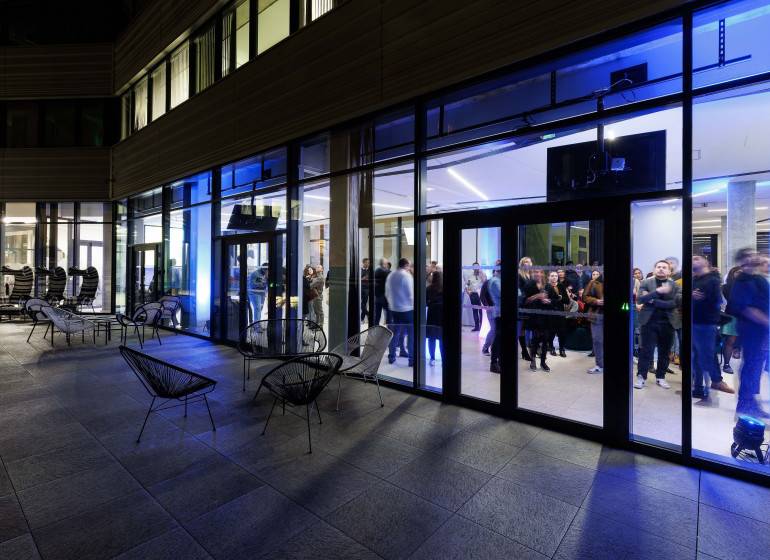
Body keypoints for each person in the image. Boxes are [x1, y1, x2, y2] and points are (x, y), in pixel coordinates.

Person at [726, 249, 769, 417]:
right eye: (750, 255)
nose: (755, 256)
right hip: (752, 331)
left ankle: (752, 403)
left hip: (761, 330)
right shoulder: (742, 281)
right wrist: (766, 322)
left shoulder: (758, 278)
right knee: (751, 366)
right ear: (742, 261)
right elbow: (743, 308)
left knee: (756, 367)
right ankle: (745, 405)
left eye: (755, 254)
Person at [692, 255, 734, 400]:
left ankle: (715, 381)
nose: (693, 260)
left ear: (706, 262)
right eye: (692, 258)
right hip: (694, 322)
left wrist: (701, 298)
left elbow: (718, 302)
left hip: (706, 323)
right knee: (696, 355)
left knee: (706, 355)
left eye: (697, 258)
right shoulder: (693, 280)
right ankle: (699, 386)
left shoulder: (713, 280)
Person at [634, 260, 681, 389]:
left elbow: (675, 303)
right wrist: (657, 292)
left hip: (668, 323)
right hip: (649, 322)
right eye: (658, 267)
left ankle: (660, 377)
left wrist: (652, 300)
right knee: (646, 351)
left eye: (664, 267)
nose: (661, 269)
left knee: (664, 352)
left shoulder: (675, 285)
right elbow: (640, 299)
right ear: (654, 269)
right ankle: (641, 377)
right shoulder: (646, 282)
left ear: (669, 271)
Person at [385, 258, 414, 366]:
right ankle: (412, 359)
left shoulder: (391, 275)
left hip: (394, 309)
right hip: (407, 309)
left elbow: (387, 293)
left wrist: (392, 304)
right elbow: (410, 294)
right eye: (409, 266)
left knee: (395, 333)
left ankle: (392, 356)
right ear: (406, 265)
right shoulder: (407, 276)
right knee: (411, 334)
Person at [523, 268, 551, 372]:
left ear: (543, 274)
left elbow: (554, 299)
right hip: (534, 317)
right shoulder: (528, 285)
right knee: (535, 339)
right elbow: (525, 301)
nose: (538, 274)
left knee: (545, 340)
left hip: (546, 316)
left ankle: (543, 362)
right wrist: (537, 296)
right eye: (536, 272)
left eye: (540, 272)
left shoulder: (547, 286)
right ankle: (533, 361)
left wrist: (549, 301)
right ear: (532, 273)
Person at [582, 269, 604, 373]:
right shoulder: (593, 282)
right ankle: (600, 365)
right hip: (597, 314)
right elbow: (584, 297)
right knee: (597, 340)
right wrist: (596, 301)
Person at [721, 265, 742, 374]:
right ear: (732, 274)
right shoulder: (726, 287)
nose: (740, 274)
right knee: (730, 341)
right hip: (732, 316)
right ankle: (726, 364)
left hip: (747, 318)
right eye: (738, 272)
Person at [547, 270, 569, 358]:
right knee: (551, 332)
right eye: (552, 276)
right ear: (549, 277)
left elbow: (567, 300)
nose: (554, 277)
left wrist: (561, 298)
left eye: (555, 276)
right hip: (550, 312)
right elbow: (546, 301)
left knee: (562, 332)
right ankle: (551, 348)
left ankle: (562, 349)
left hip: (560, 312)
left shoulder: (561, 286)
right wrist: (557, 299)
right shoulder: (546, 286)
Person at [481, 259, 500, 355]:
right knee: (494, 329)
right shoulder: (488, 282)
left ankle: (494, 349)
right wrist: (487, 306)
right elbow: (482, 295)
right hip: (491, 309)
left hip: (498, 309)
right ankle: (485, 347)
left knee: (497, 329)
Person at [426, 270, 443, 366]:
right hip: (442, 315)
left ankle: (432, 358)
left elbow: (425, 302)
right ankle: (443, 358)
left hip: (432, 314)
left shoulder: (429, 288)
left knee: (431, 338)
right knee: (442, 338)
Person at [488, 262, 502, 373]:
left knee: (500, 338)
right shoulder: (495, 281)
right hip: (499, 313)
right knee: (498, 338)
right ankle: (493, 363)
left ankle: (499, 361)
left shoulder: (499, 280)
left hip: (501, 312)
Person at [518, 256, 533, 361]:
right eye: (526, 262)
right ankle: (524, 350)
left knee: (529, 327)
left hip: (531, 304)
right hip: (523, 304)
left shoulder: (531, 275)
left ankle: (531, 349)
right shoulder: (519, 275)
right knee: (522, 328)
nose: (528, 263)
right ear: (522, 264)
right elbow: (519, 291)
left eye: (529, 262)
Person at [464, 262, 486, 331]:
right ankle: (477, 327)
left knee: (481, 311)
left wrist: (481, 274)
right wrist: (468, 292)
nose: (476, 268)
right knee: (475, 311)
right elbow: (467, 285)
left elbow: (485, 283)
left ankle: (482, 326)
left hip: (481, 295)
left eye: (477, 266)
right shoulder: (470, 276)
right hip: (473, 295)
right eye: (474, 267)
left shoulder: (482, 274)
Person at [374, 258, 391, 325]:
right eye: (386, 263)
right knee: (389, 313)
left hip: (377, 296)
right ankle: (388, 328)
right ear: (384, 264)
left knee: (377, 314)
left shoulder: (376, 271)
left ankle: (376, 327)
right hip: (383, 296)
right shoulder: (385, 272)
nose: (387, 265)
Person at [360, 258, 370, 322]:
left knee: (364, 303)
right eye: (367, 262)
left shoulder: (370, 271)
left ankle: (362, 318)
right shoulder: (359, 270)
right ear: (363, 263)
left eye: (368, 263)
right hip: (360, 288)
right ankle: (367, 313)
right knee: (360, 303)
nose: (368, 264)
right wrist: (363, 278)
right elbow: (357, 279)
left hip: (367, 289)